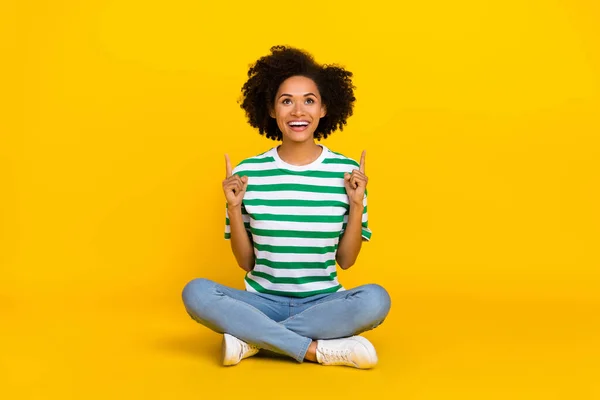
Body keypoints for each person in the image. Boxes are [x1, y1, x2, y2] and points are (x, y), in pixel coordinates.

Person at [182, 45, 391, 369]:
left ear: (323, 109)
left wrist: (356, 202)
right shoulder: (249, 173)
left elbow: (346, 261)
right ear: (271, 109)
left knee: (376, 300)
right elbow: (245, 262)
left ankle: (254, 339)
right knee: (195, 293)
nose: (298, 111)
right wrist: (234, 208)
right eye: (286, 101)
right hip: (261, 302)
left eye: (308, 100)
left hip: (324, 303)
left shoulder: (347, 174)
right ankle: (316, 351)